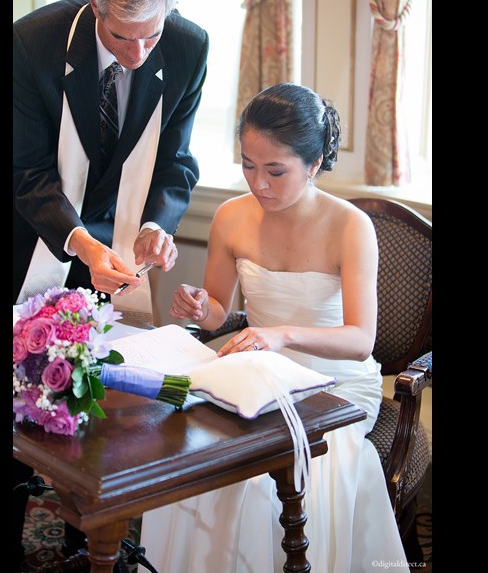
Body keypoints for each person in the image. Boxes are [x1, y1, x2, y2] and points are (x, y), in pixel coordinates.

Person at [141, 83, 411, 572]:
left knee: (295, 476)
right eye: (247, 164)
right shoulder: (230, 217)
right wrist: (201, 308)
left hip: (336, 384)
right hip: (258, 375)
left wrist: (281, 334)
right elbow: (221, 309)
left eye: (275, 170)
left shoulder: (350, 227)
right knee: (198, 458)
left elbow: (360, 340)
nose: (258, 184)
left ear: (313, 165)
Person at [12, 0, 209, 568]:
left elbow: (176, 160)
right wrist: (85, 244)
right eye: (123, 37)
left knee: (86, 407)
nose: (139, 54)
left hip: (115, 250)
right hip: (35, 238)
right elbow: (27, 172)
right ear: (94, 5)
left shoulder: (188, 46)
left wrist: (154, 225)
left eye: (151, 35)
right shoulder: (32, 43)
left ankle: (82, 544)